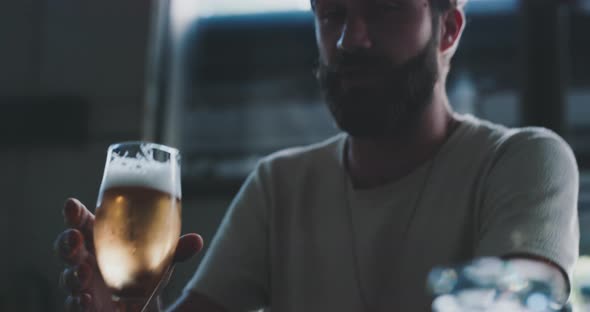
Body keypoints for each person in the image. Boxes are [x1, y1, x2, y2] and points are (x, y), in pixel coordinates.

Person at [55, 0, 580, 310]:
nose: (352, 38)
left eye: (383, 7)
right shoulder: (278, 186)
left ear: (448, 28)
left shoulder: (521, 161)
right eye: (331, 13)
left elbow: (519, 298)